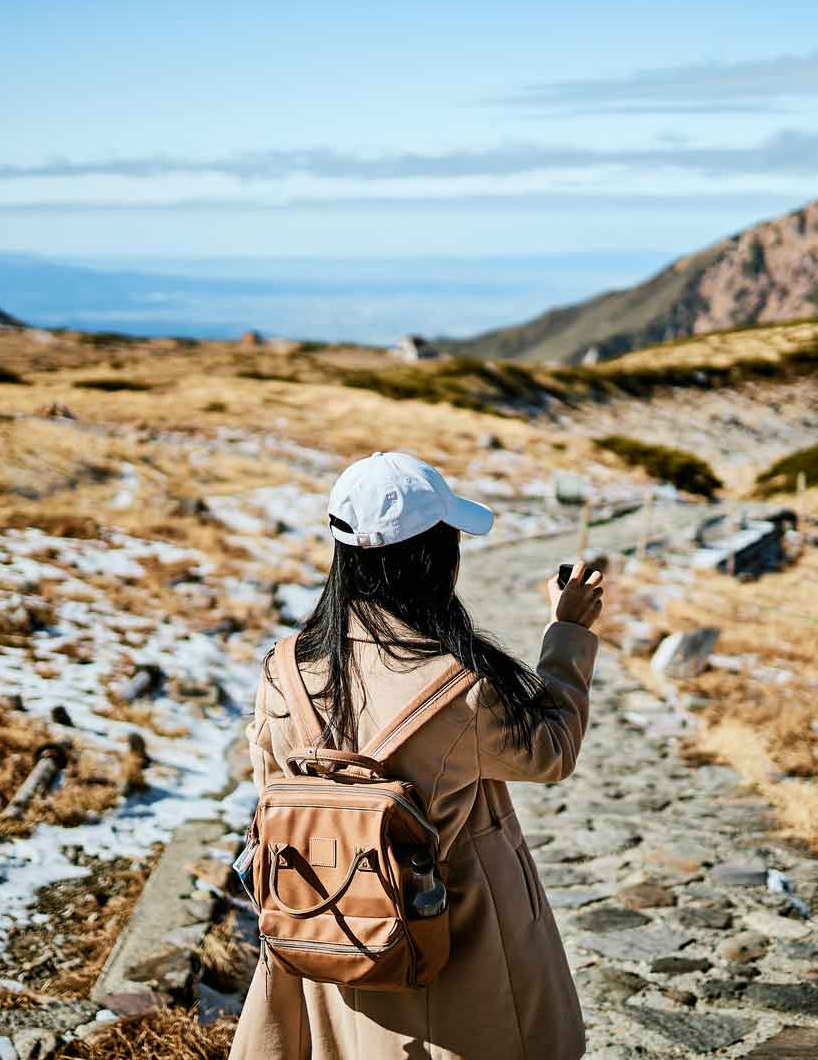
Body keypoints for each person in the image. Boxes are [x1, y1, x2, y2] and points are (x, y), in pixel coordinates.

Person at [231, 451, 605, 1060]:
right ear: (437, 557)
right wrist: (568, 634)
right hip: (456, 949)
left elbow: (274, 788)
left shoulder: (285, 668)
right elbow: (552, 752)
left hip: (327, 932)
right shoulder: (460, 683)